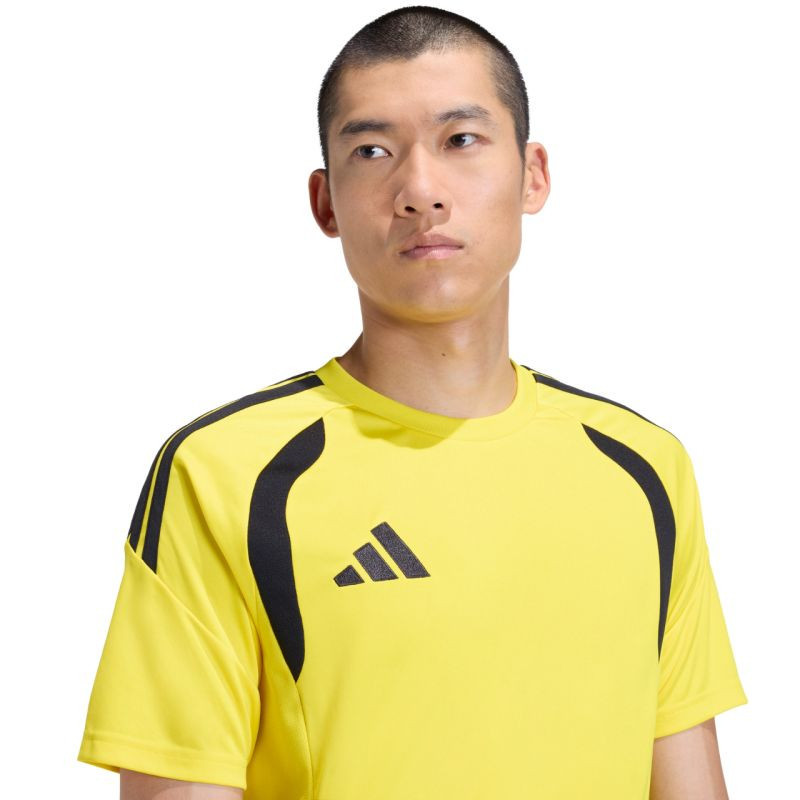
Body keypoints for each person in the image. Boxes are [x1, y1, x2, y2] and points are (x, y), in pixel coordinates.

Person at [77, 6, 748, 799]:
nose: (420, 191)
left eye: (460, 140)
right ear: (326, 203)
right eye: (372, 151)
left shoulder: (643, 468)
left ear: (533, 175)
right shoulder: (224, 474)